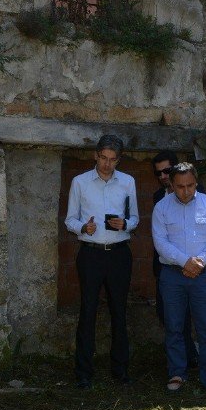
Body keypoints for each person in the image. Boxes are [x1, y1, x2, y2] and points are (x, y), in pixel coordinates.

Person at [64, 135, 140, 388]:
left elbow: (135, 218)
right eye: (103, 158)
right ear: (95, 156)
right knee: (88, 311)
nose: (107, 164)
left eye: (113, 160)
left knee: (119, 311)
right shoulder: (80, 182)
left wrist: (125, 224)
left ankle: (121, 370)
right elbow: (70, 220)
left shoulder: (128, 182)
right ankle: (83, 372)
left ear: (119, 160)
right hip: (91, 253)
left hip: (119, 253)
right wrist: (83, 228)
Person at [151, 162, 206, 396]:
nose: (186, 191)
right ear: (171, 185)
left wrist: (199, 262)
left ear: (196, 182)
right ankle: (177, 373)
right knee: (174, 326)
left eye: (190, 185)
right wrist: (186, 262)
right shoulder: (162, 208)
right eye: (180, 186)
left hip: (202, 275)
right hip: (172, 276)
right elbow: (160, 243)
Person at [152, 151, 199, 368]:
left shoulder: (201, 197)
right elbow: (159, 238)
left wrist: (193, 264)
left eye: (166, 171)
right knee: (170, 318)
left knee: (197, 319)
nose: (162, 176)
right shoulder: (158, 198)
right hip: (168, 269)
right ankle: (180, 364)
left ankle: (195, 360)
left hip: (196, 269)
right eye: (158, 172)